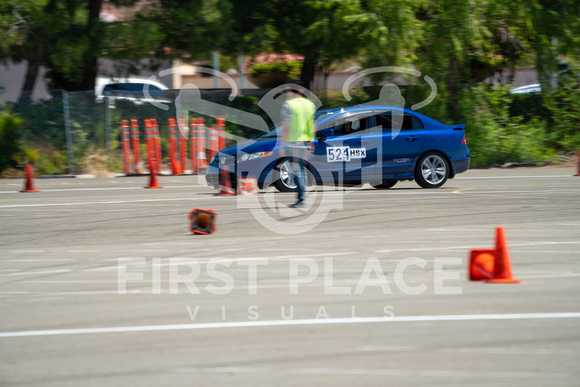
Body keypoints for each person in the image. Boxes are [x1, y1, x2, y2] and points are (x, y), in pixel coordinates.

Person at [279, 81, 316, 208]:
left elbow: (286, 126)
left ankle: (301, 200)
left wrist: (282, 144)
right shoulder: (310, 104)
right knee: (301, 170)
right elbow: (312, 124)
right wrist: (312, 142)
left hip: (293, 142)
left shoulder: (288, 105)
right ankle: (302, 197)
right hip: (305, 141)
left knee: (296, 170)